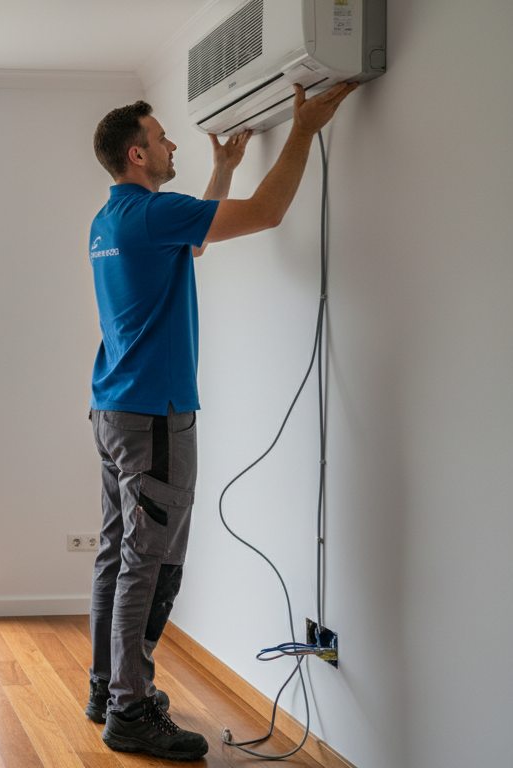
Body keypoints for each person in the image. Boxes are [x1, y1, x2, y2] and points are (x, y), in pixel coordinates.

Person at [85, 82, 358, 760]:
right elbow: (266, 214)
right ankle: (129, 709)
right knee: (150, 564)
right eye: (163, 135)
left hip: (114, 408)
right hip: (153, 415)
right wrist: (304, 127)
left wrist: (225, 168)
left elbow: (196, 243)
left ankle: (106, 687)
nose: (173, 142)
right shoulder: (151, 215)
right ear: (137, 153)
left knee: (118, 553)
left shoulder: (110, 220)